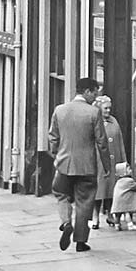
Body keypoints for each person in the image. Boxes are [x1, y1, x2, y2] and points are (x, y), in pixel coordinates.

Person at [48, 77, 110, 253]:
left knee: (61, 193)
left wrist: (56, 155)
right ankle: (81, 241)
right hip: (87, 166)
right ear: (87, 91)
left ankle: (66, 222)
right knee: (85, 202)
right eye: (94, 92)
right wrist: (106, 166)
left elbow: (53, 137)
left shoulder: (60, 110)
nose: (96, 96)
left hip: (64, 163)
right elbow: (102, 142)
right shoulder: (93, 113)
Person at [93, 95, 126, 229]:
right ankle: (95, 216)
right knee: (99, 190)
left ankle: (110, 215)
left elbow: (120, 142)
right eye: (105, 108)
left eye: (109, 108)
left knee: (112, 189)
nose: (108, 111)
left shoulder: (114, 121)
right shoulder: (95, 121)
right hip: (100, 160)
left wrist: (123, 161)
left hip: (114, 160)